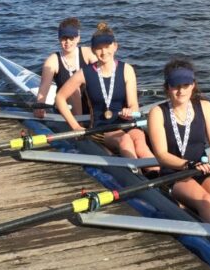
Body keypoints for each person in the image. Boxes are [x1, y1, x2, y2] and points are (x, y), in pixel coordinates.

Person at [148, 60, 210, 226]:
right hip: (175, 173)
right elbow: (161, 155)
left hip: (202, 168)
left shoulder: (205, 107)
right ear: (168, 87)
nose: (181, 90)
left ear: (193, 85)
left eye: (186, 85)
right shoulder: (157, 113)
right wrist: (188, 165)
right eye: (176, 86)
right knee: (206, 201)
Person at [55, 22, 157, 171]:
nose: (104, 52)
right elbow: (60, 98)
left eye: (107, 47)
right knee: (125, 141)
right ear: (93, 50)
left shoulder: (127, 70)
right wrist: (75, 126)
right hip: (100, 128)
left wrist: (130, 111)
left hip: (126, 123)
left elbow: (134, 105)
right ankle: (138, 176)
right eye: (99, 49)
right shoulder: (85, 73)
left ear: (115, 46)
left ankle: (157, 175)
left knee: (140, 142)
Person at [34, 17, 96, 119]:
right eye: (64, 38)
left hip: (89, 106)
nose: (67, 42)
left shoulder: (88, 53)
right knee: (73, 88)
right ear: (59, 39)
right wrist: (39, 105)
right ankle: (79, 127)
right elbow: (44, 88)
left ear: (78, 38)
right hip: (66, 108)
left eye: (71, 38)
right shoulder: (52, 61)